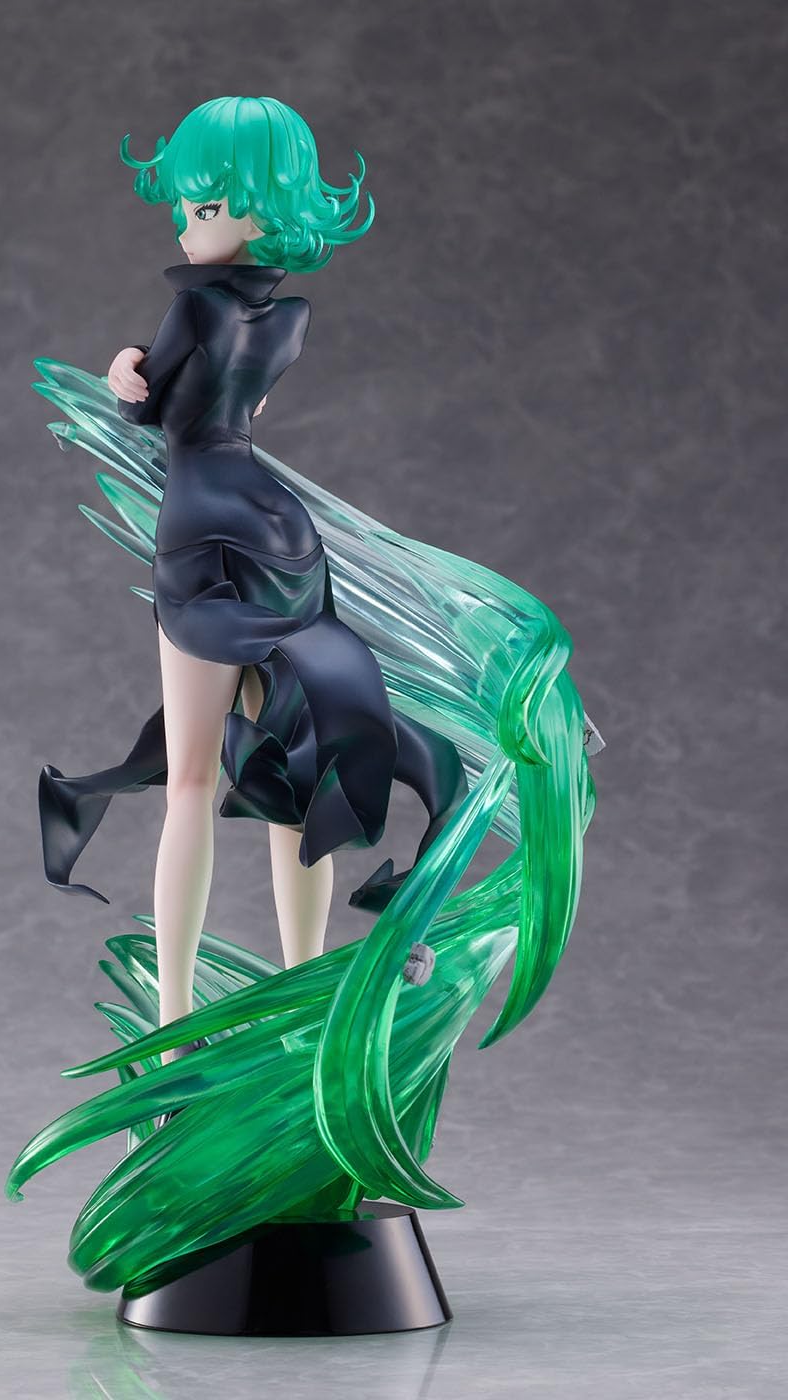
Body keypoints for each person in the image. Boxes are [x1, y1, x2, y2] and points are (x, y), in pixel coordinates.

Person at [36, 96, 468, 1067]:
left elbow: (152, 410)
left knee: (191, 780)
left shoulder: (194, 305)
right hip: (283, 537)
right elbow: (237, 405)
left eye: (202, 208)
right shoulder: (289, 320)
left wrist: (123, 368)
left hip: (203, 536)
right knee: (291, 781)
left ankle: (174, 1025)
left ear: (260, 211)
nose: (184, 228)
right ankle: (305, 1007)